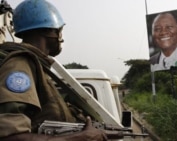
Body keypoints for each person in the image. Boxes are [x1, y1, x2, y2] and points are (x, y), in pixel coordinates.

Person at [0, 0, 107, 140]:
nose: (60, 38)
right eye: (59, 31)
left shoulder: (37, 66)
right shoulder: (20, 64)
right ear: (48, 30)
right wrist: (80, 138)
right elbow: (10, 136)